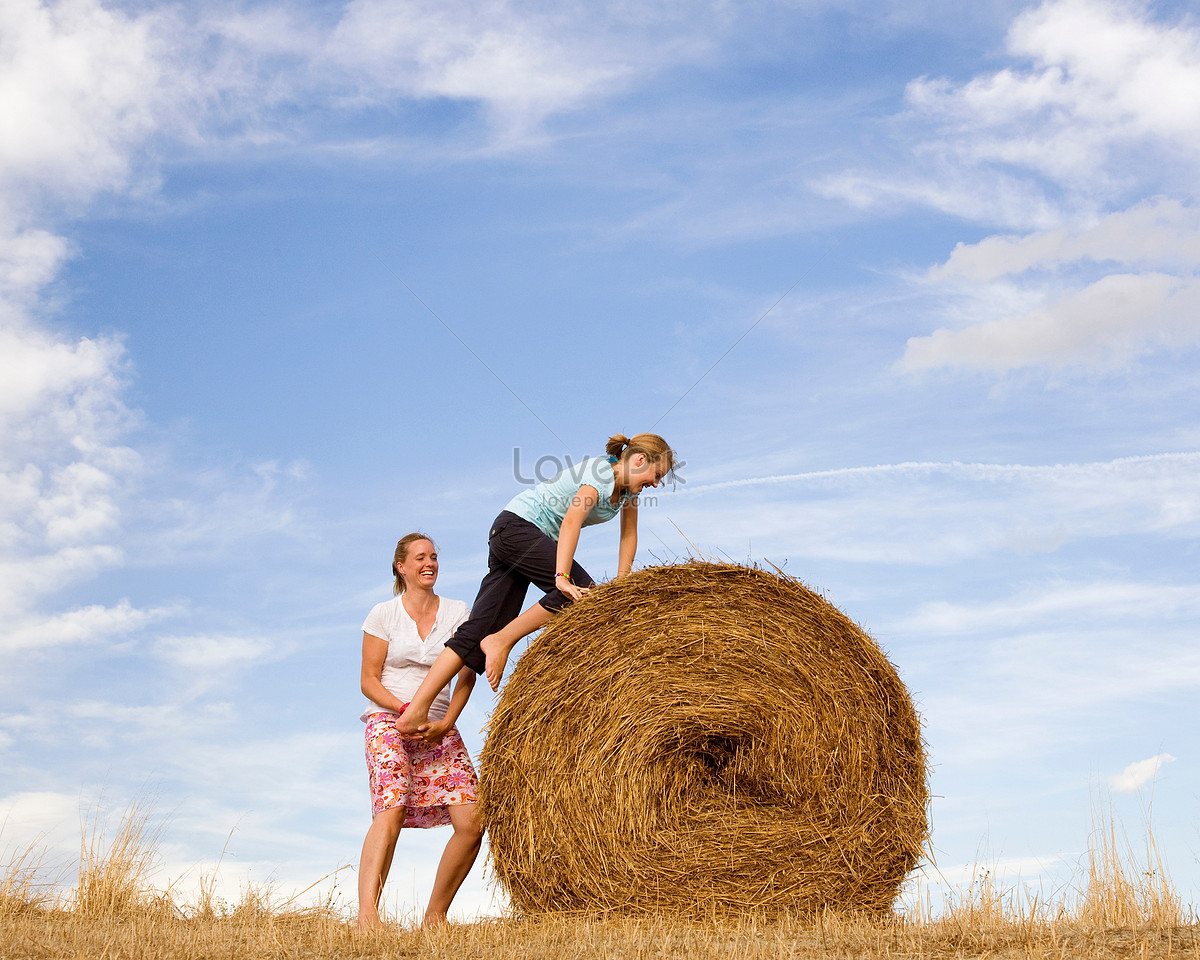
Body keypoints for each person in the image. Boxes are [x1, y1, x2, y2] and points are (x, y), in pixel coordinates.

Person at [397, 433, 674, 737]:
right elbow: (571, 521)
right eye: (657, 475)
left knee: (479, 630)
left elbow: (628, 537)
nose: (656, 484)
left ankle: (418, 711)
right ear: (639, 460)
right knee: (581, 592)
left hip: (516, 536)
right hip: (517, 528)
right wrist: (562, 578)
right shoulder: (599, 474)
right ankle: (503, 640)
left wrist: (622, 586)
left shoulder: (628, 494)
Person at [356, 533, 483, 930]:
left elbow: (467, 675)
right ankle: (367, 917)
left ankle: (435, 917)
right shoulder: (383, 614)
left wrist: (446, 721)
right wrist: (407, 709)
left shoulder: (458, 612)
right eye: (420, 557)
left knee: (473, 821)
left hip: (439, 727)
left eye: (433, 557)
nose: (429, 563)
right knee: (390, 810)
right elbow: (369, 680)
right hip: (389, 721)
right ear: (402, 567)